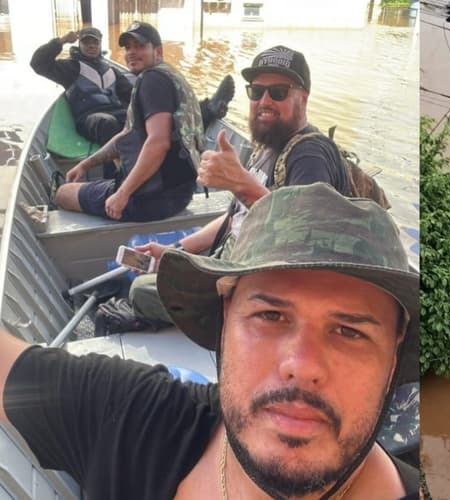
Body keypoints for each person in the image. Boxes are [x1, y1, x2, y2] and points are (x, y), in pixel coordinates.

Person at [0, 183, 420, 499]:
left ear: (393, 358)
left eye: (350, 331)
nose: (302, 364)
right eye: (270, 316)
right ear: (224, 321)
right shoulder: (130, 419)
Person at [116, 44, 351, 331]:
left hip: (267, 289)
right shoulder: (266, 146)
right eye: (256, 91)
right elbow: (235, 217)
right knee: (154, 270)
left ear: (304, 96)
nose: (264, 101)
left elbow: (307, 243)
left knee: (141, 292)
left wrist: (242, 184)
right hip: (232, 261)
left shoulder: (309, 155)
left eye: (278, 92)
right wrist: (175, 250)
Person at [53, 21, 233, 222]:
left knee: (63, 193)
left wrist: (122, 194)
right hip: (181, 194)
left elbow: (158, 142)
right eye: (128, 47)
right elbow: (125, 135)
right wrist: (86, 164)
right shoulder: (169, 74)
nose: (131, 52)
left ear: (158, 51)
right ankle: (208, 109)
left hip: (150, 200)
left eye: (139, 46)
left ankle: (117, 187)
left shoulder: (151, 81)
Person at [31, 27, 133, 146]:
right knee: (107, 123)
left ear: (100, 45)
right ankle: (113, 164)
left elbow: (132, 94)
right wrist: (62, 40)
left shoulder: (112, 71)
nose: (91, 46)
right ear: (79, 45)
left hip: (117, 112)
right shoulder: (70, 68)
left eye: (95, 42)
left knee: (137, 118)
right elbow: (38, 63)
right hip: (89, 119)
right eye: (86, 42)